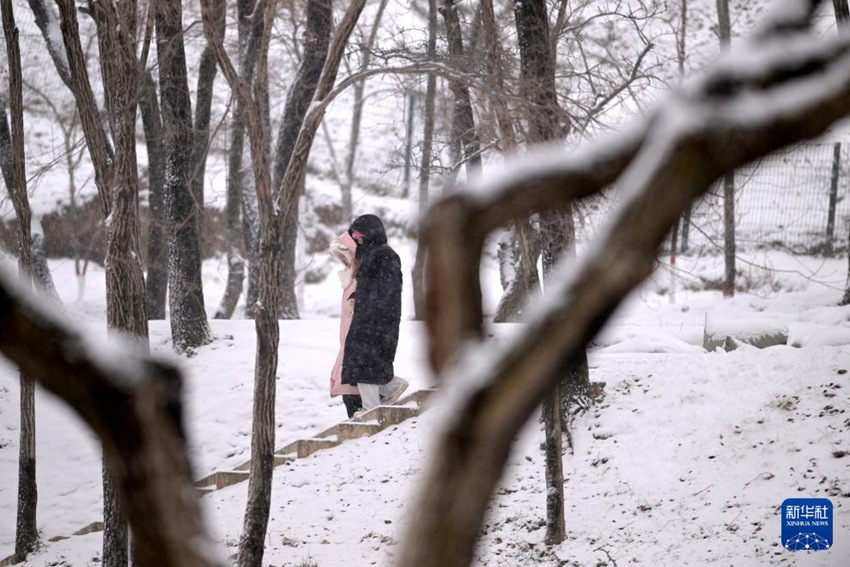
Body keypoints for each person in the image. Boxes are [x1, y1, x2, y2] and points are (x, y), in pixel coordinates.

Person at [341, 214, 408, 417]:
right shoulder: (371, 255)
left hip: (378, 321)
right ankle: (392, 388)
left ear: (371, 233)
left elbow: (388, 292)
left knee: (365, 364)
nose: (357, 238)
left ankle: (371, 409)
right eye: (354, 235)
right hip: (367, 319)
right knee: (363, 363)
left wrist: (372, 313)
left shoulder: (385, 255)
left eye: (360, 234)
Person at [328, 231, 364, 418]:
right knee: (349, 394)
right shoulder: (349, 280)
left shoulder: (360, 280)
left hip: (355, 347)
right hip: (348, 347)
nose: (343, 261)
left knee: (352, 393)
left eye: (346, 256)